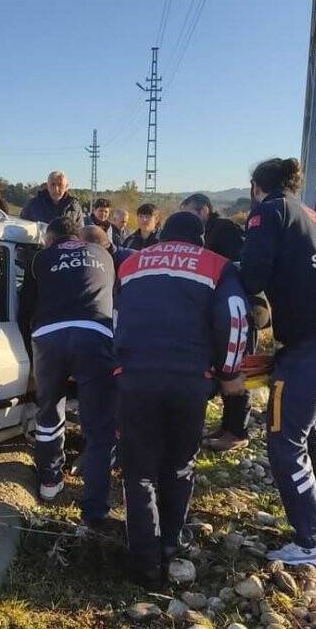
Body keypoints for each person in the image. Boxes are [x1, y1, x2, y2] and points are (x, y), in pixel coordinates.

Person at [240, 157, 316, 568]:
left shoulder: (269, 211)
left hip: (314, 349)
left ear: (258, 186)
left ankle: (311, 542)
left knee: (283, 439)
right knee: (313, 432)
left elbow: (253, 276)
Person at [115, 211, 249, 586]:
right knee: (179, 465)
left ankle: (143, 562)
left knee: (139, 471)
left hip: (135, 376)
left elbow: (115, 317)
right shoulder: (217, 266)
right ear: (200, 238)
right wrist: (227, 372)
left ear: (161, 236)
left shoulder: (131, 263)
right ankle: (170, 544)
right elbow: (235, 319)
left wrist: (119, 362)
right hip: (189, 380)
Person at [17, 215, 117, 528]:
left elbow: (24, 307)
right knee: (98, 422)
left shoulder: (40, 259)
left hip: (49, 335)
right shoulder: (104, 255)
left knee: (49, 411)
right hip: (96, 333)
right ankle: (95, 506)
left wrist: (29, 354)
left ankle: (49, 483)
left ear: (50, 238)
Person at [180, 192, 253, 452]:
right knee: (226, 367)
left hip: (237, 308)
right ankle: (227, 426)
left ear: (205, 210)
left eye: (190, 212)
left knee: (237, 368)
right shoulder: (210, 232)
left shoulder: (223, 230)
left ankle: (237, 431)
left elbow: (238, 266)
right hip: (223, 306)